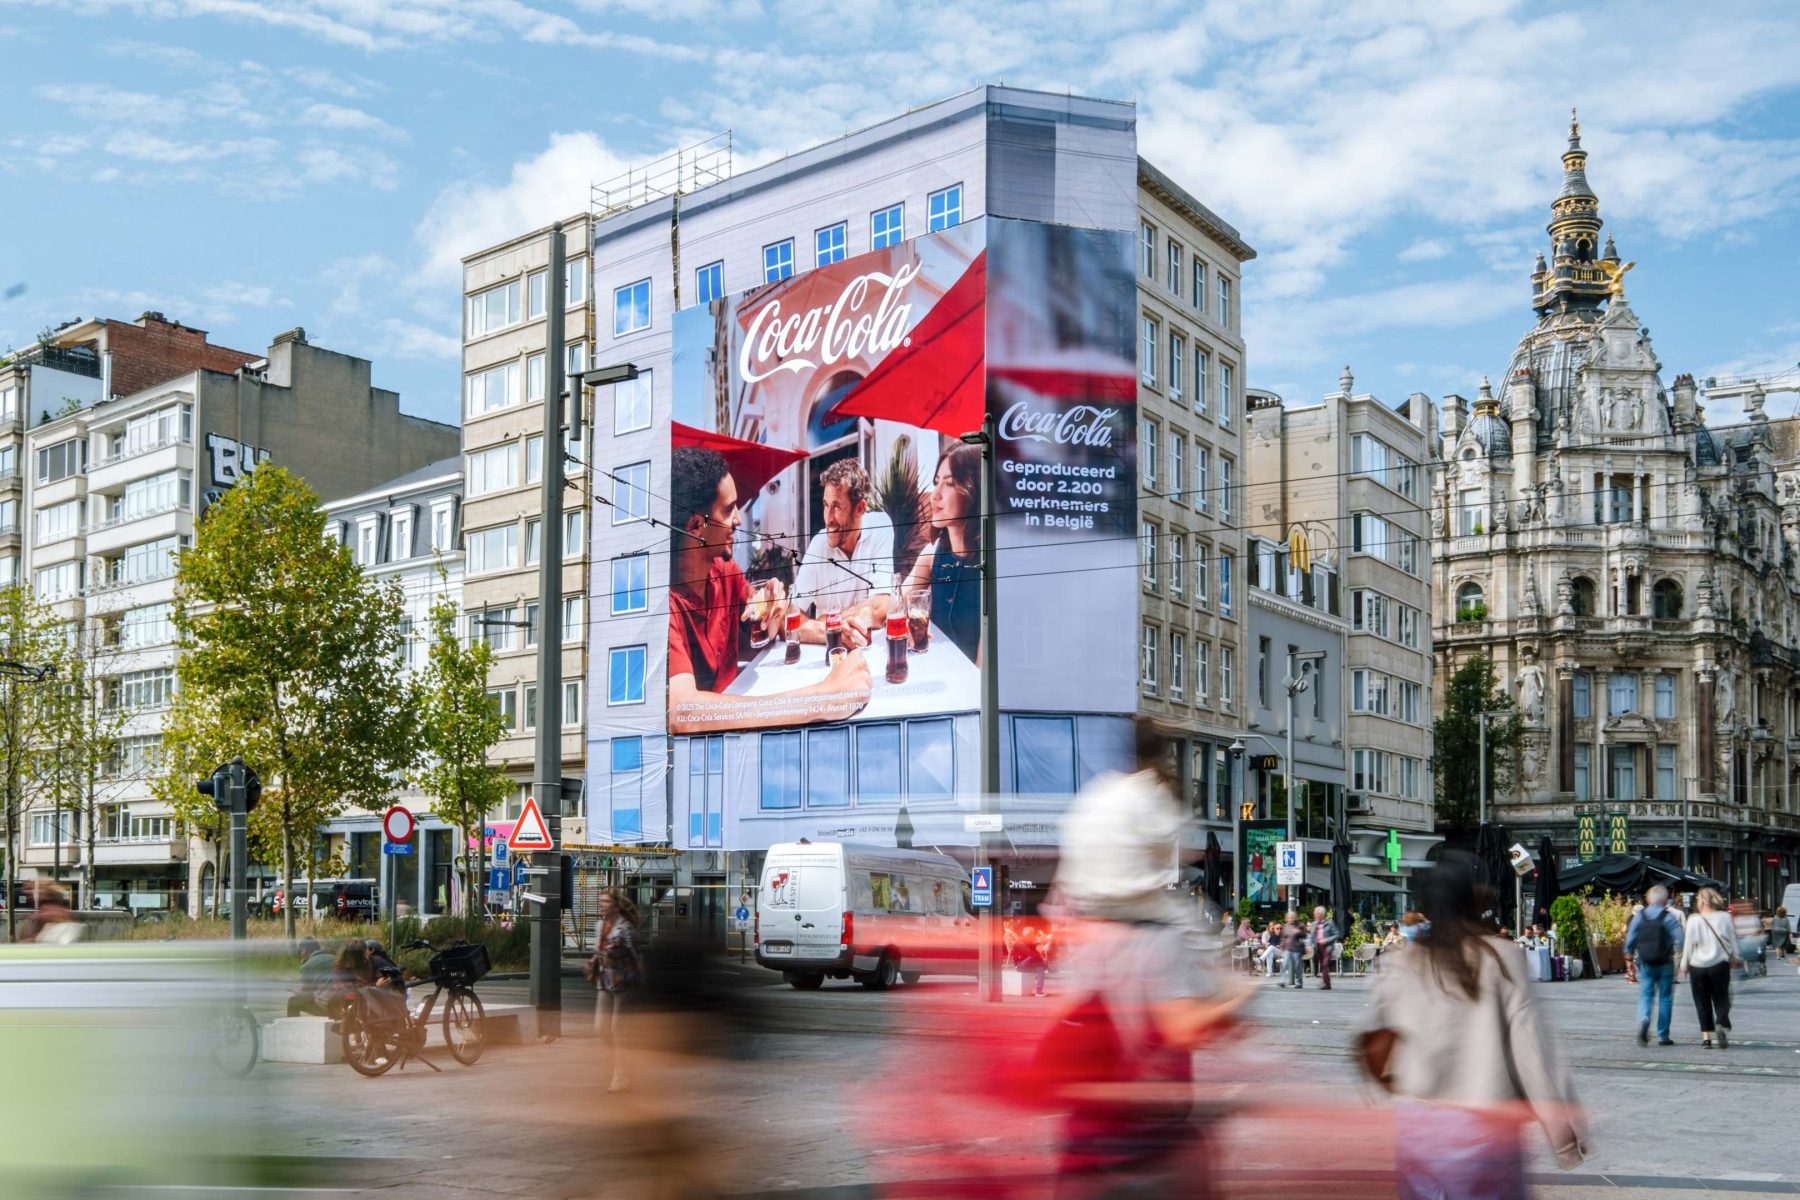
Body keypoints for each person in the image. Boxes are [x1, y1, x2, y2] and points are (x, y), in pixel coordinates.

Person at [1045, 717, 1250, 1195]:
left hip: (1090, 1130)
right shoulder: (1152, 796)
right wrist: (1237, 999)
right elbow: (1184, 850)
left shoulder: (1095, 795)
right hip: (1143, 1131)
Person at [1357, 851, 1587, 1197]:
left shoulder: (1401, 962)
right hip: (1486, 1127)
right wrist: (1562, 1133)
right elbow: (1531, 1051)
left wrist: (1389, 1090)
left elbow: (1372, 1041)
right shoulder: (1501, 958)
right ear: (1471, 901)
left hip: (1418, 1126)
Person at [667, 447, 871, 735]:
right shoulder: (663, 604)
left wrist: (779, 611)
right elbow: (682, 712)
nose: (738, 519)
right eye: (728, 509)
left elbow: (769, 630)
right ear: (696, 526)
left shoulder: (725, 572)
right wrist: (823, 698)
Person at [789, 459, 896, 636]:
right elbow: (790, 616)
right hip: (830, 647)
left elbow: (880, 608)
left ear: (860, 508)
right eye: (826, 505)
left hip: (869, 646)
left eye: (836, 506)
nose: (828, 518)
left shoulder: (880, 526)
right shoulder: (818, 545)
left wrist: (825, 621)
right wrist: (830, 628)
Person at [900, 443, 982, 662]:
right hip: (934, 670)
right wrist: (904, 620)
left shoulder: (992, 565)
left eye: (949, 483)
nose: (935, 495)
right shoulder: (931, 553)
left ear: (973, 490)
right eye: (936, 482)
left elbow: (982, 673)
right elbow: (897, 604)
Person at [588, 888, 644, 1093]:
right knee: (601, 1028)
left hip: (624, 982)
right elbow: (599, 951)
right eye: (601, 901)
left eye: (606, 901)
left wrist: (641, 981)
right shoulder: (600, 925)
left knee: (618, 1030)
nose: (602, 904)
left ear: (616, 905)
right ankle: (625, 1061)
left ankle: (621, 1073)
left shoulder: (626, 929)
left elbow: (637, 957)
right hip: (604, 981)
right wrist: (593, 961)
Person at [1678, 887, 1741, 1050]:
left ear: (1702, 902)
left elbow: (1688, 945)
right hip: (1720, 964)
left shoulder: (1693, 919)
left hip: (1698, 966)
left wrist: (1684, 965)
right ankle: (1721, 1023)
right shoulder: (1725, 917)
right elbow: (1733, 939)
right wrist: (1736, 957)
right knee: (1722, 997)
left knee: (1701, 1001)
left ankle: (1706, 1038)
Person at [1624, 885, 1685, 1046]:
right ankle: (1663, 1035)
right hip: (1665, 961)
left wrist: (1629, 958)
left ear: (1648, 899)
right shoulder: (1668, 916)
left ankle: (1644, 1019)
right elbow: (1680, 939)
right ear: (1665, 900)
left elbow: (1630, 938)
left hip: (1645, 961)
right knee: (1665, 998)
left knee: (1646, 995)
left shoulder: (1640, 916)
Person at [288, 938, 338, 1017]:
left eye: (300, 952)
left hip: (327, 1005)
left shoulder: (307, 966)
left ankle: (293, 1025)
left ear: (304, 950)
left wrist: (298, 992)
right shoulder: (335, 958)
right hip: (341, 1003)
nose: (300, 955)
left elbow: (307, 994)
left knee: (293, 1002)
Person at [1311, 905, 1340, 990]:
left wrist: (1326, 940)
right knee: (1322, 966)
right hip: (1318, 947)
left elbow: (1337, 934)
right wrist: (1311, 944)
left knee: (1325, 965)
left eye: (1316, 914)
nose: (1314, 915)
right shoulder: (1314, 924)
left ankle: (1326, 984)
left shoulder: (1330, 923)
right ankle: (1326, 983)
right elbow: (1312, 936)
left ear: (1321, 915)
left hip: (1327, 947)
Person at [1278, 912, 1305, 989]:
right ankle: (1282, 981)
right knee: (1285, 965)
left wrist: (1299, 932)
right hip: (1287, 949)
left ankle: (1299, 983)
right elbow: (1283, 937)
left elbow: (1305, 935)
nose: (1291, 919)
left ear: (1295, 918)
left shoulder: (1300, 925)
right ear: (1286, 919)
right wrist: (1282, 946)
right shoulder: (1285, 926)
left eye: (1292, 918)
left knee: (1297, 967)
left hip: (1297, 949)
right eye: (1289, 918)